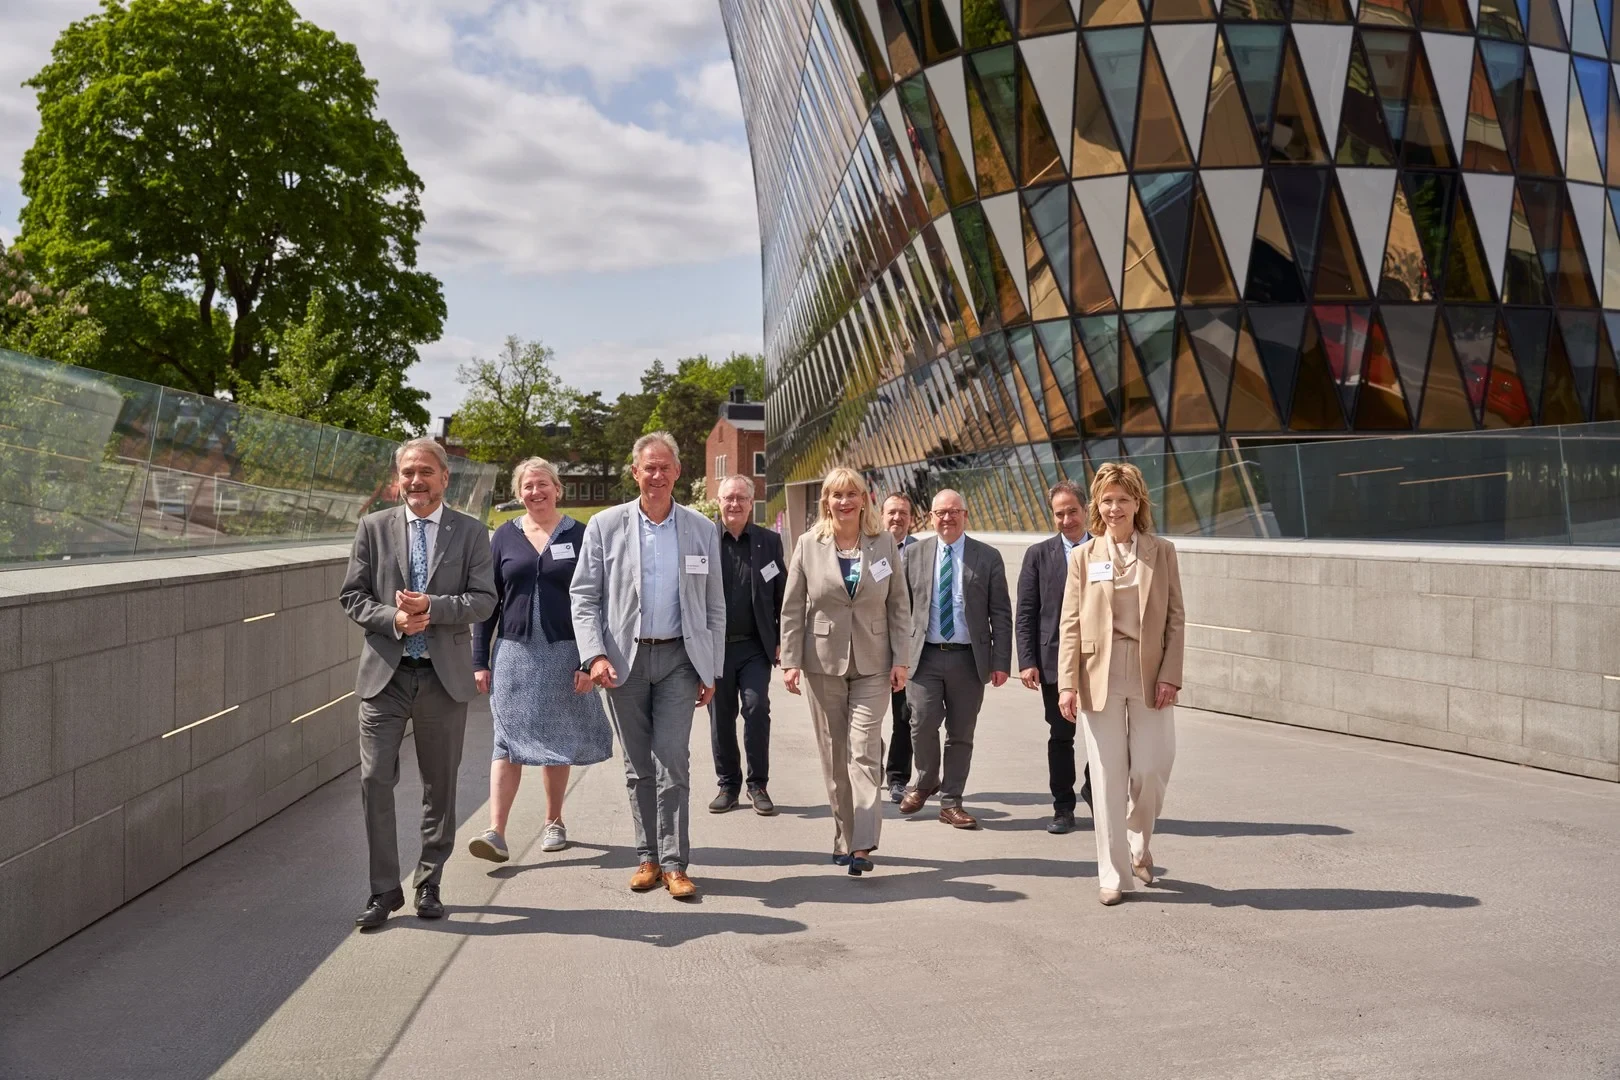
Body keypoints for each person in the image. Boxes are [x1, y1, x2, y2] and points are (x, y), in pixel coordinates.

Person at [340, 438, 497, 929]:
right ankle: (384, 889)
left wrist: (432, 610)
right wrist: (393, 619)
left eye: (425, 472)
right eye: (408, 472)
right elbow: (353, 597)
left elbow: (483, 600)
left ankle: (429, 880)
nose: (415, 481)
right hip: (384, 677)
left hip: (441, 678)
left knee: (440, 784)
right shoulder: (373, 528)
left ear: (444, 478)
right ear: (397, 478)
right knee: (373, 780)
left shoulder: (471, 532)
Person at [571, 432, 725, 900]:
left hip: (681, 659)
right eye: (648, 467)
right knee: (639, 766)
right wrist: (594, 654)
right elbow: (584, 597)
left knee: (672, 760)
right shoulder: (604, 525)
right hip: (623, 662)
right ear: (635, 472)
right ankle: (648, 858)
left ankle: (677, 864)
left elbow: (714, 604)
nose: (656, 475)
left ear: (678, 472)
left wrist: (710, 669)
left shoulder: (701, 528)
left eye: (665, 467)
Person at [468, 458, 612, 865]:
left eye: (543, 484)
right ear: (519, 493)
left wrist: (590, 661)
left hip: (566, 651)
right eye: (528, 486)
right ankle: (496, 831)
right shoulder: (502, 538)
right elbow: (486, 604)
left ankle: (554, 821)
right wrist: (480, 659)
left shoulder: (581, 535)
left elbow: (598, 604)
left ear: (558, 488)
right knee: (506, 739)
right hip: (513, 653)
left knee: (557, 736)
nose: (536, 492)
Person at [1057, 462, 1186, 907]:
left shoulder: (1162, 551)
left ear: (1137, 503)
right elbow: (1070, 622)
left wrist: (1170, 674)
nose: (1114, 508)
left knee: (1150, 769)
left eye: (1122, 499)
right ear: (1098, 505)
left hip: (1150, 672)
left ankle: (1139, 841)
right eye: (1106, 500)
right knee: (1108, 776)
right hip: (1100, 673)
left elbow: (1175, 618)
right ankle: (1112, 875)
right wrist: (1066, 684)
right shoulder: (1083, 557)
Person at [780, 467, 910, 875]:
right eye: (837, 495)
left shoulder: (883, 542)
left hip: (874, 662)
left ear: (864, 499)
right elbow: (793, 607)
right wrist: (790, 661)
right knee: (835, 756)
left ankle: (863, 845)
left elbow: (899, 606)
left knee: (863, 751)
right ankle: (844, 835)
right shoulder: (808, 544)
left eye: (852, 493)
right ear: (826, 501)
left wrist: (902, 658)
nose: (845, 501)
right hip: (822, 662)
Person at [899, 489, 1012, 829]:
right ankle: (926, 779)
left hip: (968, 659)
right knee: (921, 723)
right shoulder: (914, 554)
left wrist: (1001, 661)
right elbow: (899, 610)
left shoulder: (987, 557)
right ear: (931, 517)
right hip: (925, 656)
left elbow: (1001, 613)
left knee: (961, 732)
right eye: (939, 513)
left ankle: (951, 802)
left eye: (953, 512)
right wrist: (897, 657)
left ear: (965, 514)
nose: (946, 518)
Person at [1016, 480, 1094, 835]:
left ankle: (1094, 786)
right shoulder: (1038, 555)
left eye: (1072, 511)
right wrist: (1027, 660)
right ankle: (1063, 807)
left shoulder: (1105, 550)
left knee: (1108, 734)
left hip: (1099, 660)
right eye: (1059, 514)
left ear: (1085, 509)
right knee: (1061, 735)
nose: (1066, 520)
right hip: (1053, 662)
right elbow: (1027, 611)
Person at [707, 474, 787, 816]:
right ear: (719, 501)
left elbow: (782, 594)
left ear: (751, 502)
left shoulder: (769, 541)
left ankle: (758, 785)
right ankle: (728, 785)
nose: (734, 504)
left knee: (756, 710)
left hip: (755, 646)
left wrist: (784, 639)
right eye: (729, 498)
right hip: (715, 648)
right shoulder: (704, 538)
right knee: (720, 717)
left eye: (741, 498)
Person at [880, 492, 918, 803]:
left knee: (903, 716)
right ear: (881, 516)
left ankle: (897, 777)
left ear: (911, 518)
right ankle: (869, 763)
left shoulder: (921, 551)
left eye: (903, 513)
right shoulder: (869, 547)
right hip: (871, 645)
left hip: (906, 649)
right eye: (892, 512)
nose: (897, 518)